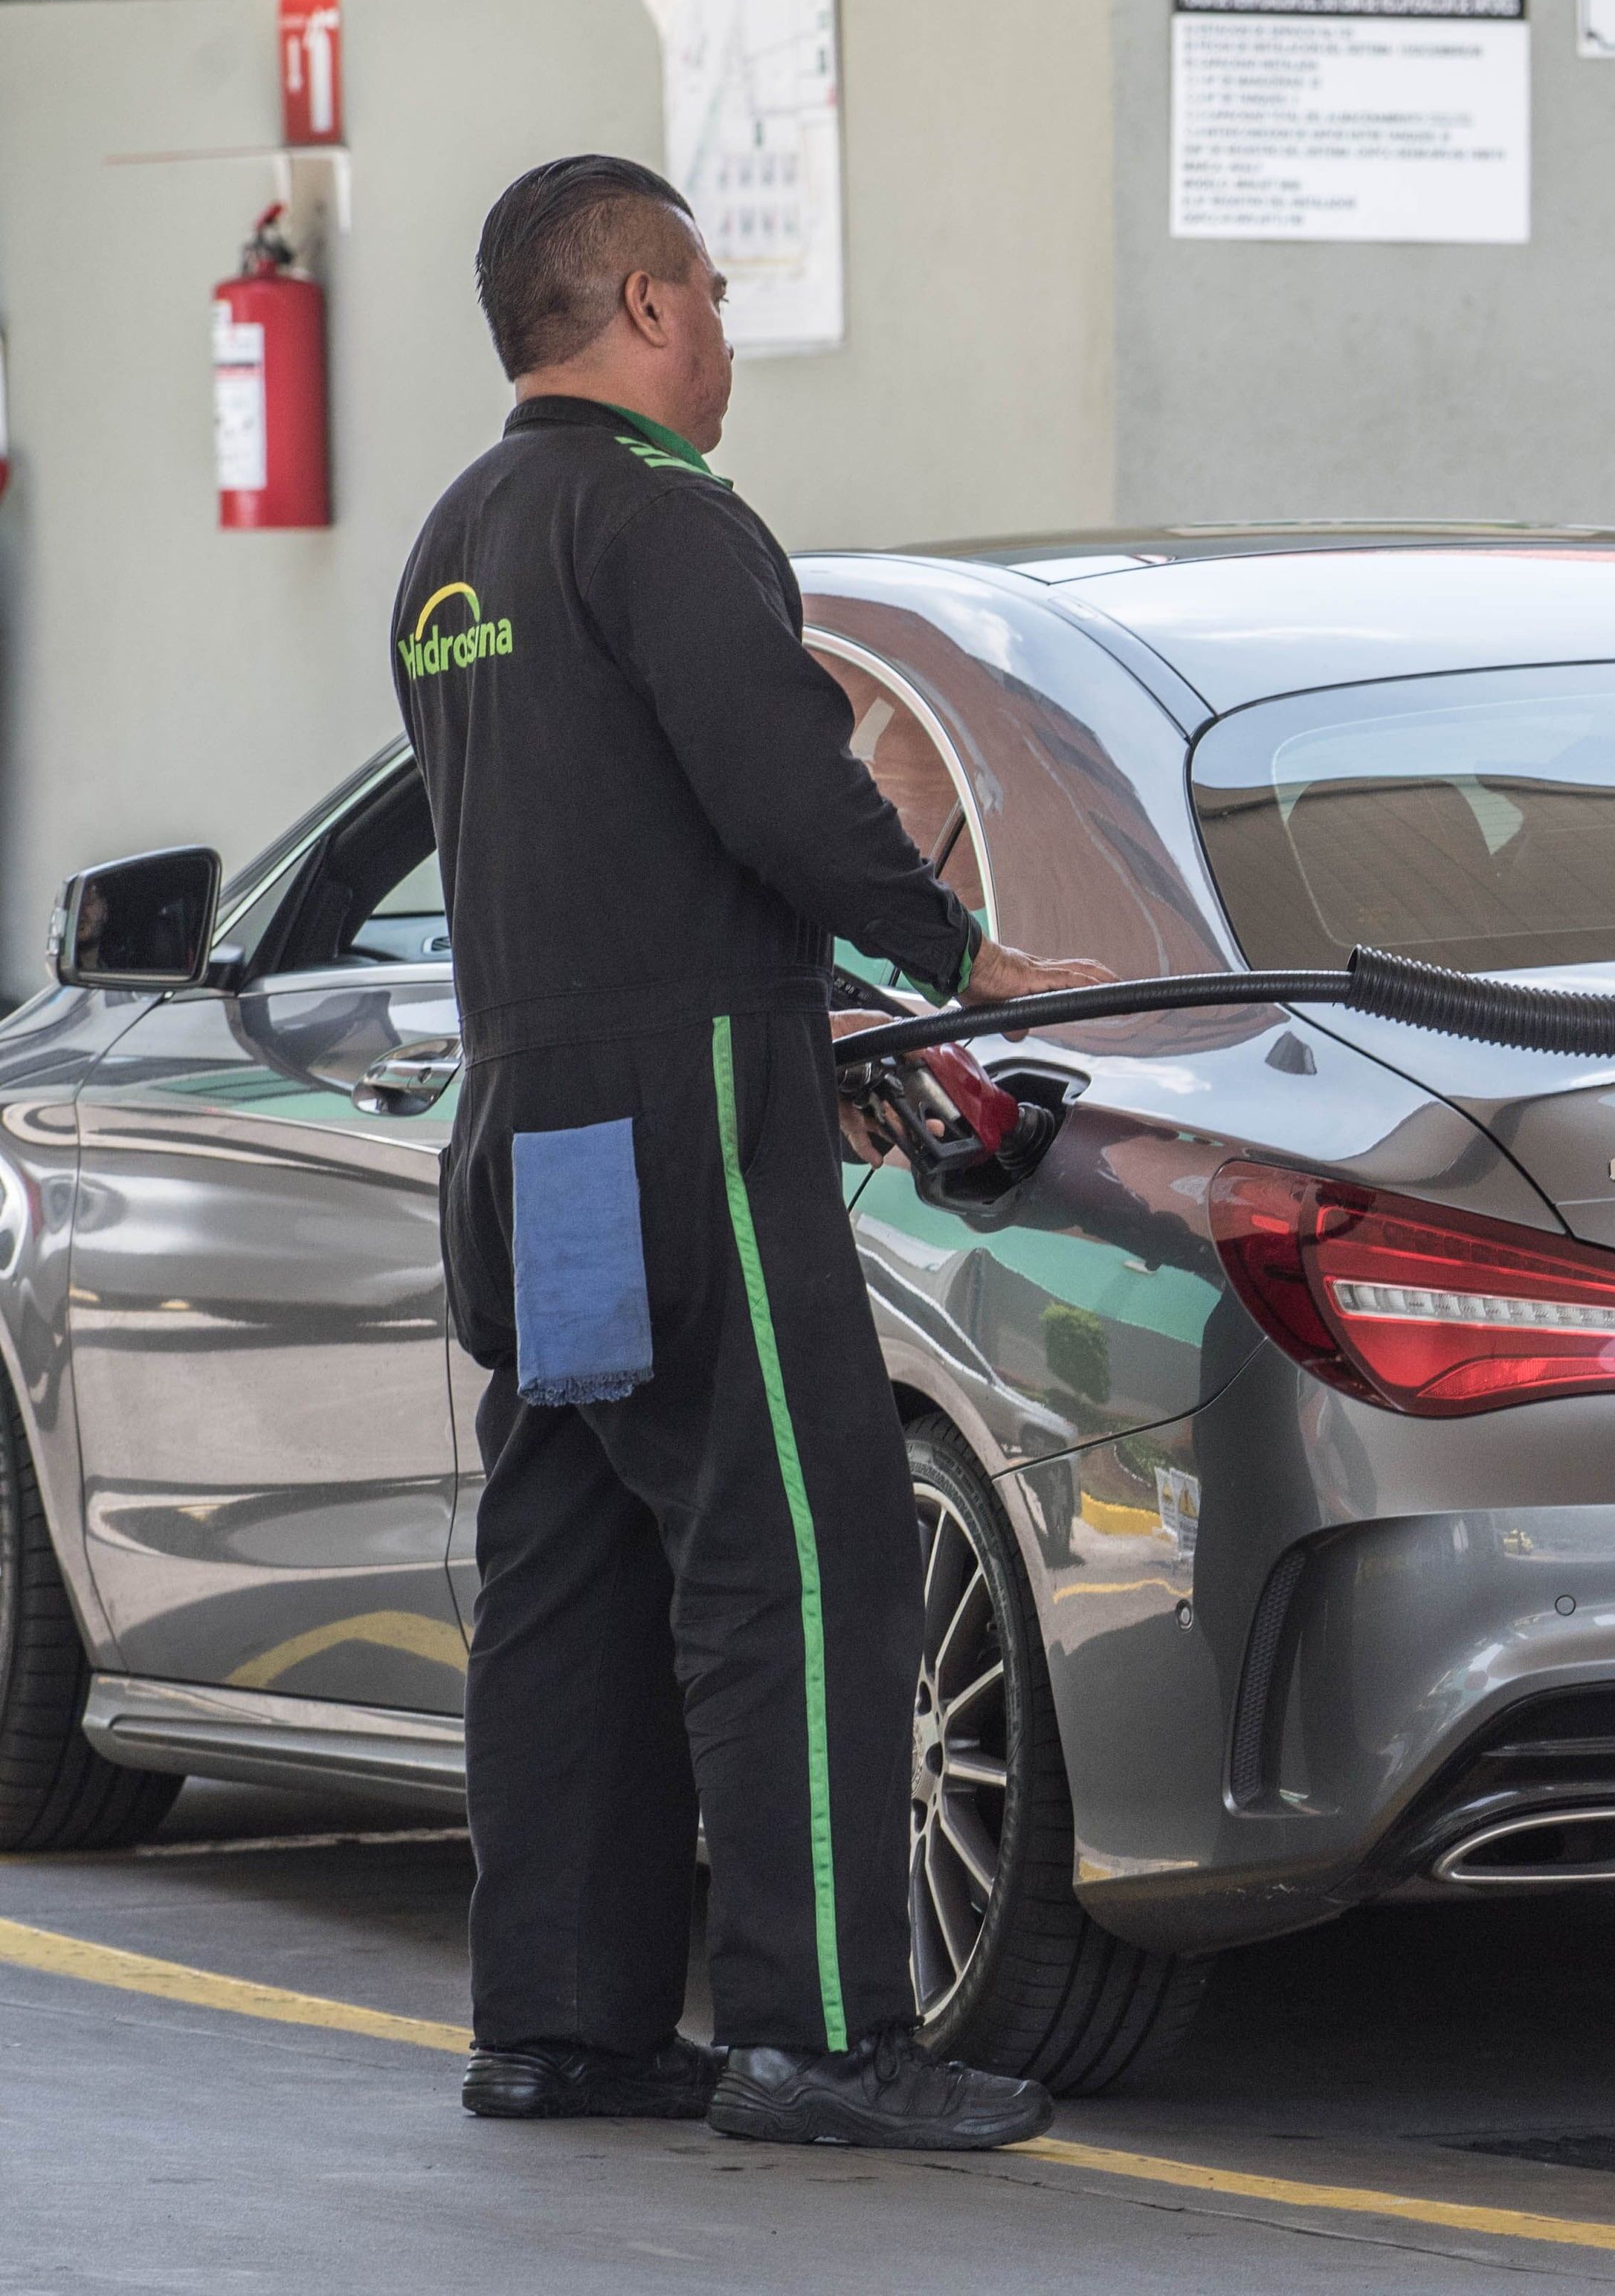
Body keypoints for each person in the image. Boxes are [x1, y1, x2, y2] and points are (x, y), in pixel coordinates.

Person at [394, 155, 1115, 2147]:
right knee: (803, 1552)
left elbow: (606, 842)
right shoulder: (664, 517)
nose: (725, 335)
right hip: (688, 1116)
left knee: (577, 1552)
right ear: (641, 304)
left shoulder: (456, 547)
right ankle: (821, 2036)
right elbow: (784, 795)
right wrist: (961, 956)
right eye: (708, 292)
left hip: (538, 1132)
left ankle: (562, 2025)